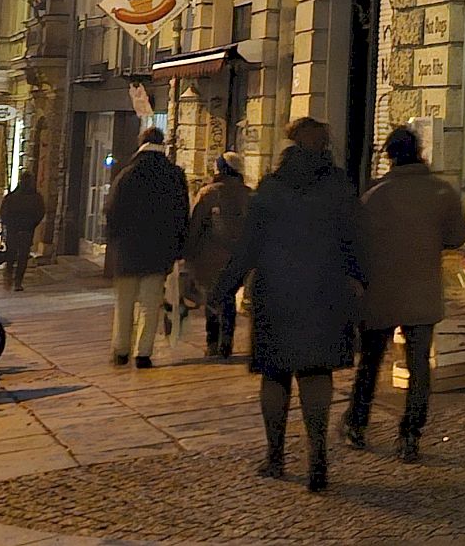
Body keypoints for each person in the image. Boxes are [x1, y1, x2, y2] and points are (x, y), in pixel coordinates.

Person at [210, 118, 362, 493]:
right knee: (315, 373)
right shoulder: (339, 188)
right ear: (324, 146)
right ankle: (318, 457)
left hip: (276, 293)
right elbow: (357, 242)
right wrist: (361, 285)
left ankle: (276, 456)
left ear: (290, 147)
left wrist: (223, 289)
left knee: (275, 376)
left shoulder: (271, 189)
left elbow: (248, 247)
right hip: (324, 294)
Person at [346, 126, 465, 462]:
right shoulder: (442, 192)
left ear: (389, 155)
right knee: (419, 367)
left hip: (381, 291)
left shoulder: (375, 196)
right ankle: (410, 436)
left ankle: (356, 424)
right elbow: (456, 237)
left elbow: (357, 244)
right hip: (421, 289)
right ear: (420, 151)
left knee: (370, 362)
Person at [105, 127, 190, 369]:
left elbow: (112, 211)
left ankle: (121, 350)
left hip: (128, 251)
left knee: (124, 303)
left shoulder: (128, 174)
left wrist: (115, 241)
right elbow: (182, 215)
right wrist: (178, 249)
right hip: (158, 251)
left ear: (141, 143)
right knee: (150, 303)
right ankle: (143, 353)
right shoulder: (174, 175)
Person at [185, 153, 252, 358]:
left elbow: (195, 225)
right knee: (228, 296)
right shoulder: (250, 195)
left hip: (211, 257)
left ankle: (214, 342)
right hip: (240, 257)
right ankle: (226, 340)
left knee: (213, 299)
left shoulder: (208, 193)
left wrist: (187, 254)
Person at [0, 175, 47, 291]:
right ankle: (15, 280)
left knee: (16, 256)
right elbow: (39, 213)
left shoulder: (27, 198)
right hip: (22, 230)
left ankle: (13, 279)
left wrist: (10, 224)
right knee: (19, 256)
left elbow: (4, 213)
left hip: (20, 230)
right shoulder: (32, 197)